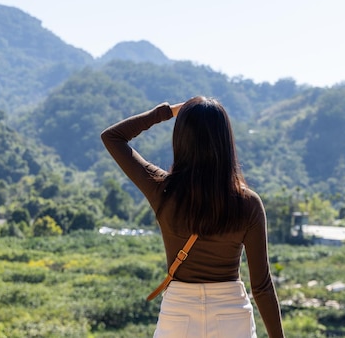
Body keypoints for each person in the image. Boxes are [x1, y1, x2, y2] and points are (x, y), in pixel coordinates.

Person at [101, 96, 285, 338]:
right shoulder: (248, 203)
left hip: (179, 312)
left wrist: (167, 112)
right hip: (231, 313)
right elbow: (261, 287)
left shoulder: (162, 190)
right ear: (225, 140)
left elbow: (112, 137)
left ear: (180, 139)